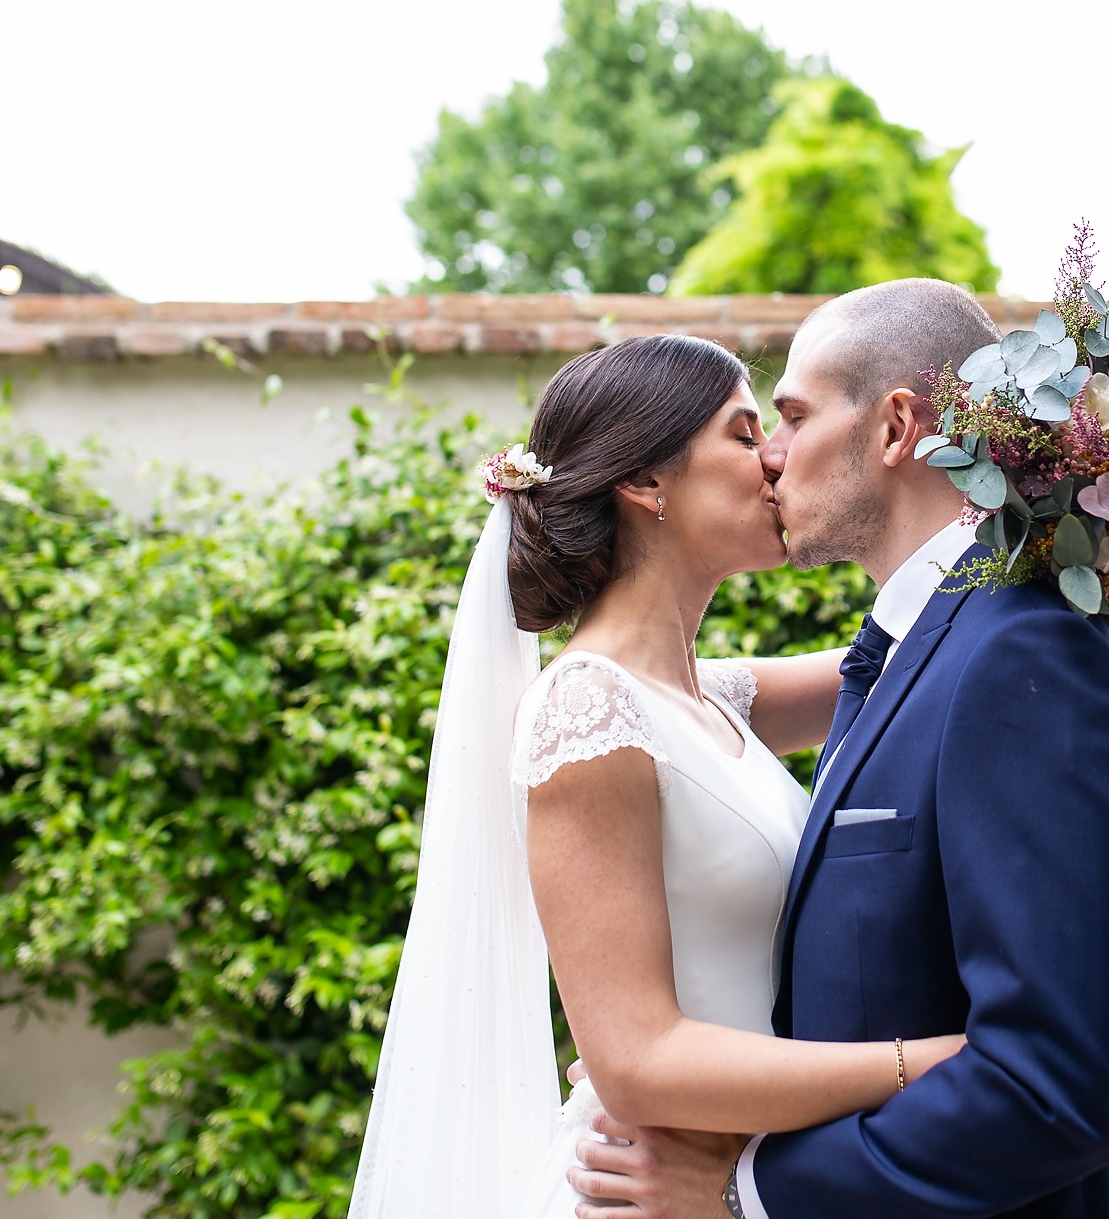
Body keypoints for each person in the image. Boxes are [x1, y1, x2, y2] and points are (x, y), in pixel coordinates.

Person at [567, 279, 1109, 1219]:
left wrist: (748, 1191)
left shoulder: (1024, 648)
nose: (770, 454)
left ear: (896, 429)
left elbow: (1058, 1084)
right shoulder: (912, 648)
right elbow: (633, 698)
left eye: (792, 415)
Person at [345, 332, 964, 1219]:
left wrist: (1073, 532)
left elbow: (931, 648)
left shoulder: (707, 696)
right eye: (745, 434)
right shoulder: (587, 712)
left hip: (745, 1181)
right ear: (645, 484)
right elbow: (637, 1059)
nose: (777, 457)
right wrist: (936, 1064)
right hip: (648, 1189)